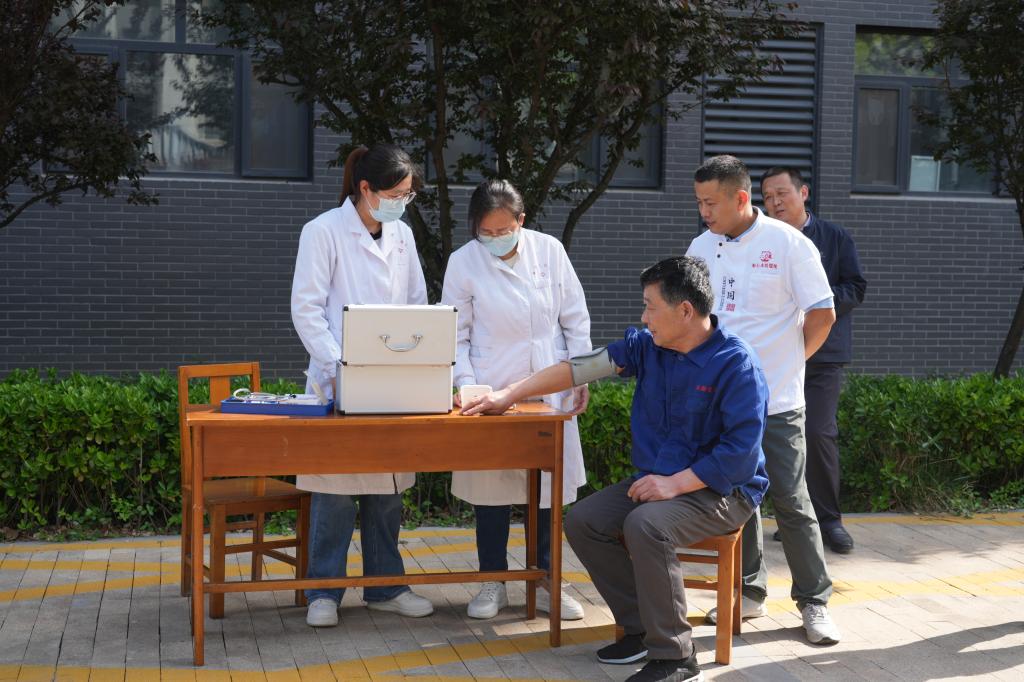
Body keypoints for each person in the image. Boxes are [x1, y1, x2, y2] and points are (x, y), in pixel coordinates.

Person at [464, 256, 768, 682]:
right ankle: (640, 626)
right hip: (659, 480)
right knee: (584, 520)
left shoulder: (737, 364)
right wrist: (508, 394)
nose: (644, 318)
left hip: (722, 490)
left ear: (685, 310)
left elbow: (739, 456)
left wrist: (674, 485)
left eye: (650, 307)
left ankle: (677, 657)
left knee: (647, 525)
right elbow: (578, 368)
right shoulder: (649, 346)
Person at [685, 155, 842, 645]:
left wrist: (792, 363)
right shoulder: (700, 247)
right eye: (699, 203)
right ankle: (748, 590)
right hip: (720, 403)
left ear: (740, 198)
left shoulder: (789, 244)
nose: (704, 212)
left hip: (777, 399)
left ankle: (814, 600)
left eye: (711, 203)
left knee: (791, 500)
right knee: (737, 499)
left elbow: (823, 314)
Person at [291, 144, 435, 627]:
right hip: (336, 380)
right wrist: (341, 365)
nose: (401, 203)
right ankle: (323, 592)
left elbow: (416, 303)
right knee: (334, 491)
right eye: (395, 195)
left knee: (386, 492)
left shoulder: (402, 236)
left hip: (392, 381)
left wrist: (413, 360)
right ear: (366, 188)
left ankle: (386, 586)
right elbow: (307, 309)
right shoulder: (323, 232)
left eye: (407, 196)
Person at [440, 179, 592, 621]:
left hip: (549, 383)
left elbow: (575, 318)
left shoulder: (549, 251)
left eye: (503, 230)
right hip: (490, 388)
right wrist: (468, 385)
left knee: (547, 490)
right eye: (485, 232)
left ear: (521, 221)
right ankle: (493, 581)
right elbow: (455, 334)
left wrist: (580, 374)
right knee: (491, 490)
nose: (493, 238)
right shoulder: (463, 262)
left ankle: (545, 580)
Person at [760, 167, 867, 554]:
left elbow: (855, 287)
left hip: (822, 355)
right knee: (775, 437)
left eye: (782, 193)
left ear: (803, 193)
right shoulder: (763, 241)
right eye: (767, 197)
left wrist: (817, 302)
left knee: (818, 433)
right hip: (774, 357)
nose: (775, 202)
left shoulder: (834, 237)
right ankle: (792, 518)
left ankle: (829, 521)